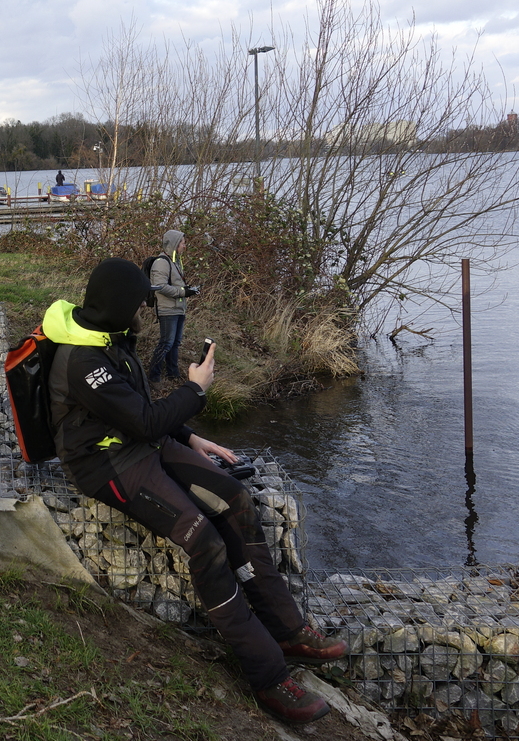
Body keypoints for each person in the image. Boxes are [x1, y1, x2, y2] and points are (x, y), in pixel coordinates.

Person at [42, 258, 344, 723]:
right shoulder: (83, 360)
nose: (145, 310)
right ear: (120, 305)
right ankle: (267, 675)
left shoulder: (108, 338)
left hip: (141, 442)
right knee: (203, 538)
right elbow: (142, 420)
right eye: (140, 302)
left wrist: (191, 436)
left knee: (234, 498)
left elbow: (139, 412)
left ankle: (288, 629)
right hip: (106, 463)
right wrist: (196, 390)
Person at [147, 229, 189, 381]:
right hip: (167, 310)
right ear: (175, 244)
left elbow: (176, 285)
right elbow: (160, 286)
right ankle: (154, 377)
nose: (185, 246)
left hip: (178, 309)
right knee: (166, 343)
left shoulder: (174, 261)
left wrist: (188, 290)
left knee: (175, 343)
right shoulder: (161, 263)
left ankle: (173, 374)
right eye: (183, 243)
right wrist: (184, 292)